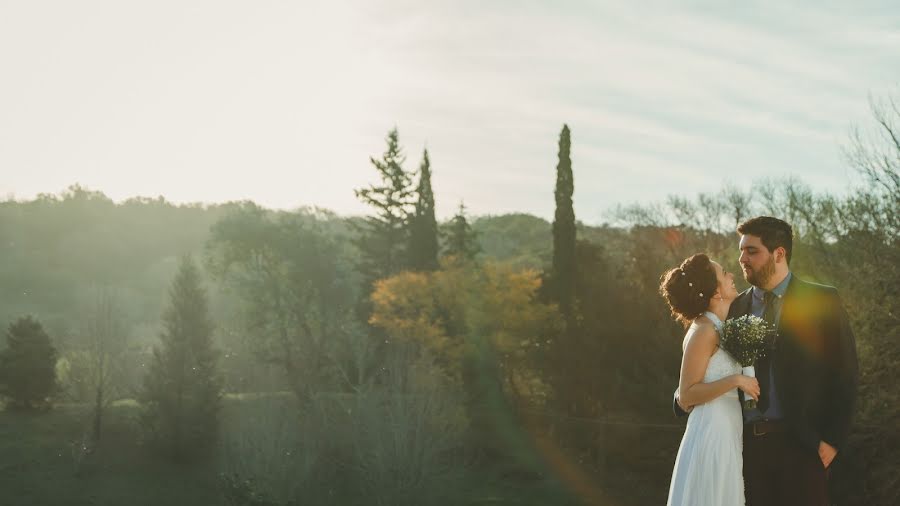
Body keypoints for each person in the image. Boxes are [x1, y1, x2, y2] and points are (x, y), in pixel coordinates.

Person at [675, 216, 858, 506]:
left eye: (752, 251)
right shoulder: (733, 307)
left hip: (803, 447)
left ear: (779, 253)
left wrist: (832, 441)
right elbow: (701, 366)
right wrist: (687, 398)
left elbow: (845, 376)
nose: (742, 259)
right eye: (741, 250)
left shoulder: (822, 301)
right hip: (745, 449)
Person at [661, 253, 759, 506]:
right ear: (716, 293)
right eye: (724, 273)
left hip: (728, 426)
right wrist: (736, 380)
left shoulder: (720, 326)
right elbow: (686, 395)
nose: (731, 275)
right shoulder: (704, 330)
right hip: (712, 429)